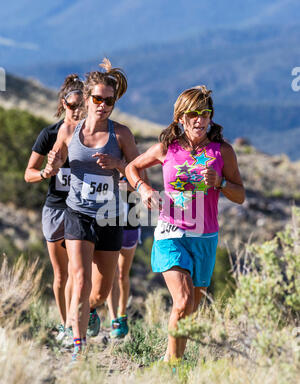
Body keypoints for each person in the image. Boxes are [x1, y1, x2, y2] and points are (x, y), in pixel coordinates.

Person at [125, 85, 245, 362]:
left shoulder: (222, 151)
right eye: (193, 114)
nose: (200, 120)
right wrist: (143, 188)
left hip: (205, 238)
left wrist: (222, 183)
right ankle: (174, 368)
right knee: (182, 301)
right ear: (181, 118)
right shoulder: (168, 148)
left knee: (190, 311)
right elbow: (132, 167)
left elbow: (240, 195)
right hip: (171, 233)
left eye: (205, 113)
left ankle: (170, 361)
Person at [46, 58, 140, 361]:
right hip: (78, 213)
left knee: (99, 293)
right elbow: (56, 159)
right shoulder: (68, 130)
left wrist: (119, 165)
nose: (103, 105)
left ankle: (92, 311)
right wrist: (53, 164)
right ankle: (78, 347)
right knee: (80, 279)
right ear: (86, 99)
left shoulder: (121, 135)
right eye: (97, 99)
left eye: (109, 100)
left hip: (110, 216)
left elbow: (140, 175)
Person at [24, 74, 85, 342]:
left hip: (81, 209)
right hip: (56, 208)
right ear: (64, 104)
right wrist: (46, 173)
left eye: (82, 106)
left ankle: (74, 324)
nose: (77, 111)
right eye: (72, 106)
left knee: (77, 270)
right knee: (61, 273)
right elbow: (28, 173)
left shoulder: (91, 135)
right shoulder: (49, 134)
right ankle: (64, 324)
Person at [106, 176, 142, 338]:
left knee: (122, 275)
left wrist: (129, 187)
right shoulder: (103, 163)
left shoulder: (133, 164)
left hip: (129, 226)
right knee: (111, 275)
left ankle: (122, 315)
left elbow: (145, 190)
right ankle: (113, 319)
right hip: (108, 224)